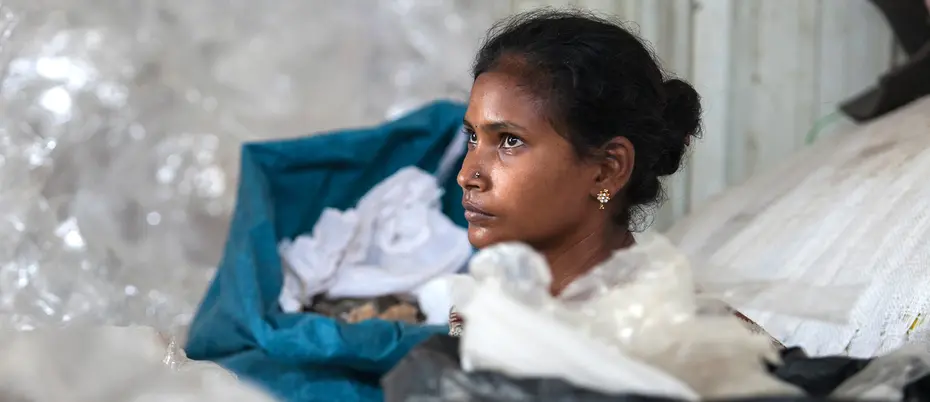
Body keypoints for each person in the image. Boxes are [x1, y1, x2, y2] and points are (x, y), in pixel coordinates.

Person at [450, 8, 779, 346]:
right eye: (473, 136)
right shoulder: (487, 310)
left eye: (510, 140)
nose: (467, 175)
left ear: (607, 169)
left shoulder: (696, 347)